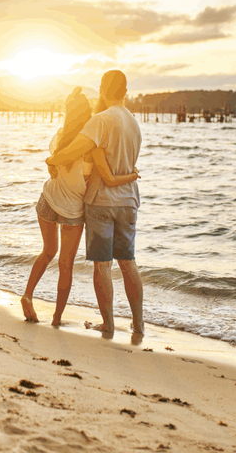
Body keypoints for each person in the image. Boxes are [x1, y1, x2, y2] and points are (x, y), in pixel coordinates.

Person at [21, 87, 139, 326]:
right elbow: (104, 177)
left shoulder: (60, 135)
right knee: (66, 265)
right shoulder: (90, 147)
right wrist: (131, 175)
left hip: (48, 199)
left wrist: (50, 162)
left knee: (47, 252)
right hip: (73, 211)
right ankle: (56, 319)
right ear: (89, 114)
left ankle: (27, 295)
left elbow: (55, 161)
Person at [46, 70, 143, 343]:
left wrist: (51, 161)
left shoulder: (101, 121)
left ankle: (108, 324)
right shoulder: (134, 123)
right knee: (128, 263)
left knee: (103, 265)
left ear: (102, 89)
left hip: (102, 201)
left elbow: (73, 150)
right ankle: (139, 324)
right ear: (125, 90)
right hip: (129, 200)